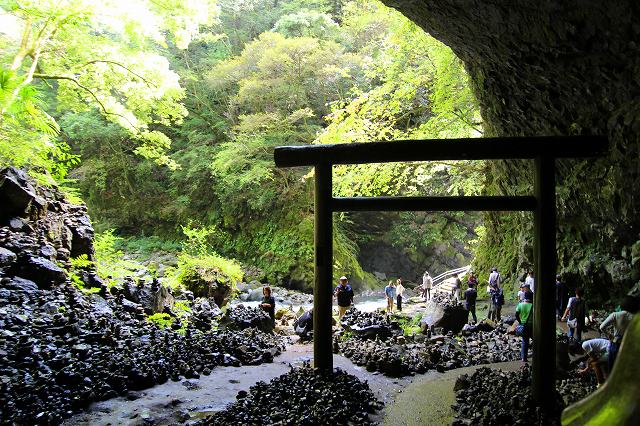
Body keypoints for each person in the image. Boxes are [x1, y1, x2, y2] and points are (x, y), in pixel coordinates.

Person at [600, 295, 637, 370]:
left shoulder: (615, 315)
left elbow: (601, 327)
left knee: (613, 365)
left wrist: (609, 335)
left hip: (616, 343)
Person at [515, 291, 534, 363]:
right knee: (536, 340)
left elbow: (516, 315)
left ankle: (524, 358)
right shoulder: (533, 305)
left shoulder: (520, 305)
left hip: (523, 325)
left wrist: (520, 322)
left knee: (525, 341)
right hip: (532, 326)